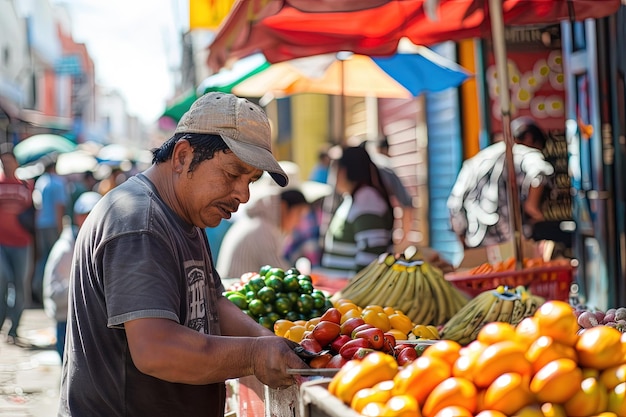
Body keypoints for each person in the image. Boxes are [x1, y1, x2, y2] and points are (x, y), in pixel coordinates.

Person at [59, 92, 308, 417]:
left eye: (251, 180)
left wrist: (265, 339)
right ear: (182, 157)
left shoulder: (184, 214)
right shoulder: (140, 222)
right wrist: (254, 355)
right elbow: (156, 349)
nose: (243, 195)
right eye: (233, 174)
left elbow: (212, 301)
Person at [447, 117, 555, 249]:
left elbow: (454, 205)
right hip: (513, 245)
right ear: (529, 138)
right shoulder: (520, 152)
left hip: (481, 248)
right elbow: (539, 172)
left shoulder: (477, 161)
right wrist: (533, 208)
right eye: (539, 147)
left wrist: (466, 246)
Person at [43, 191, 102, 360]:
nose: (92, 219)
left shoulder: (97, 242)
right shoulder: (65, 249)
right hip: (68, 322)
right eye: (87, 214)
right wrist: (85, 287)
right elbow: (52, 293)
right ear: (78, 217)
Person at [320, 146, 395, 275]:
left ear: (342, 171)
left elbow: (370, 259)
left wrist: (353, 292)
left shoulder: (368, 201)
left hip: (352, 293)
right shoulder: (353, 198)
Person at [216, 186, 310, 278]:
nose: (298, 222)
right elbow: (281, 274)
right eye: (299, 214)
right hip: (232, 288)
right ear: (284, 207)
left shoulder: (258, 222)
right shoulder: (263, 229)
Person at [0, 145, 34, 345]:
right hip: (1, 244)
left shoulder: (26, 185)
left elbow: (33, 214)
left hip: (22, 243)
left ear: (16, 163)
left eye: (9, 161)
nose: (6, 165)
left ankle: (13, 329)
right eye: (3, 161)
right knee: (3, 281)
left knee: (20, 287)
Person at [362, 136, 417, 251]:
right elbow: (407, 205)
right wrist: (404, 240)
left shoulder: (381, 167)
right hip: (380, 236)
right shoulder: (385, 166)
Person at [32, 157, 68, 305]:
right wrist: (61, 229)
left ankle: (37, 291)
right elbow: (59, 207)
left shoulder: (40, 182)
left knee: (43, 259)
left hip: (40, 225)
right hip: (53, 225)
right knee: (53, 259)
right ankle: (47, 293)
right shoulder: (58, 183)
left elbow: (37, 206)